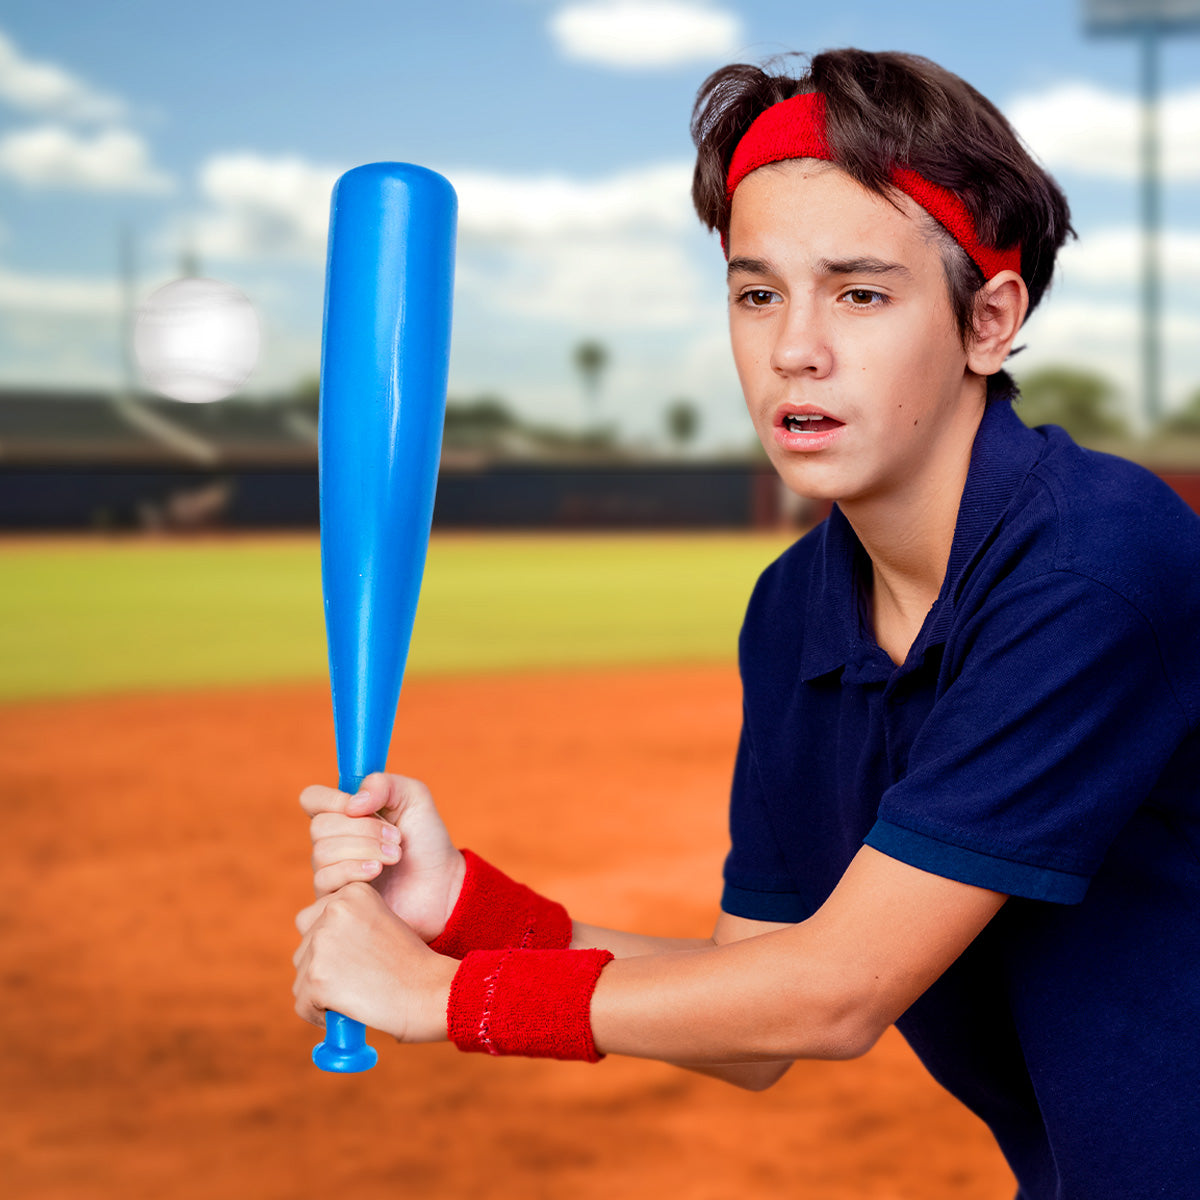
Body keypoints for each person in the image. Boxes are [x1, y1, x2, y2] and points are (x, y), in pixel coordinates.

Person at [292, 48, 1200, 1198]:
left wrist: (436, 1000)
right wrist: (463, 913)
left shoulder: (1091, 565)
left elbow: (835, 994)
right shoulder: (795, 613)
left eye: (860, 292)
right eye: (756, 290)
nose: (792, 348)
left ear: (989, 320)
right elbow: (755, 1009)